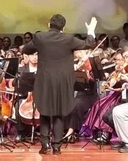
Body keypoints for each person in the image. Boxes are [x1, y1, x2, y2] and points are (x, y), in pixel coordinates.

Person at [21, 14, 97, 155]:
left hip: (44, 81)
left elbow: (25, 49)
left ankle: (45, 145)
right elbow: (89, 43)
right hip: (63, 82)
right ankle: (57, 146)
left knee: (44, 112)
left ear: (49, 25)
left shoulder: (40, 37)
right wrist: (91, 30)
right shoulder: (68, 39)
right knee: (59, 113)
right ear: (63, 27)